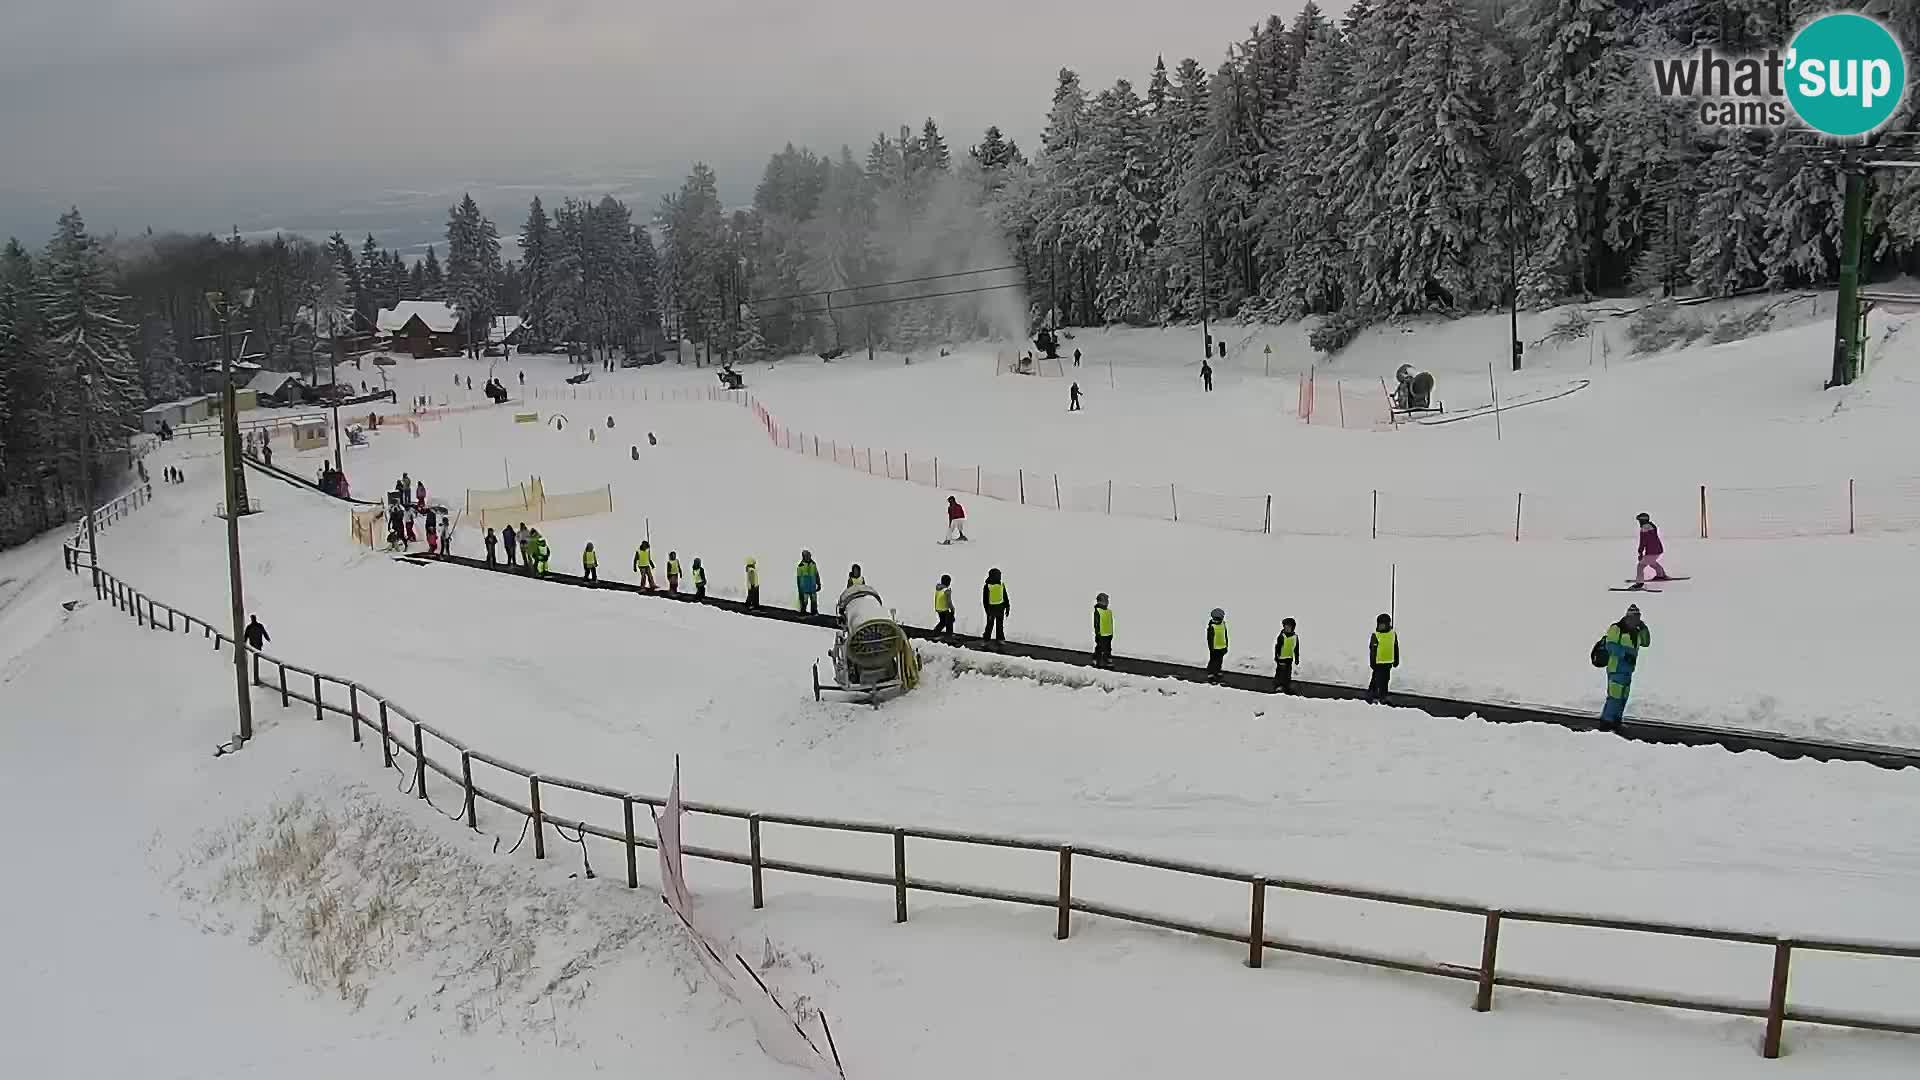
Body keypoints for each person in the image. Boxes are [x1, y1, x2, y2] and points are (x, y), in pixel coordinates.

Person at [1601, 604, 1650, 729]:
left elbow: (1646, 642)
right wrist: (1625, 654)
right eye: (1634, 618)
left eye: (1638, 618)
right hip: (1616, 668)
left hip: (1628, 669)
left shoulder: (1637, 632)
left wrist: (1643, 627)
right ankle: (1607, 723)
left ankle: (1616, 721)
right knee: (1615, 697)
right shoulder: (1617, 628)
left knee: (1623, 696)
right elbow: (1610, 646)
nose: (1636, 620)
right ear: (1628, 617)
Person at [1631, 512, 1671, 588]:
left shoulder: (1644, 528)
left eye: (1639, 520)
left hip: (1652, 551)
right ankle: (1661, 575)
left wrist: (1640, 552)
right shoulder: (1652, 525)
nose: (1639, 522)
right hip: (1658, 549)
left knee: (1640, 566)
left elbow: (1643, 541)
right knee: (1652, 562)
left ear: (1642, 520)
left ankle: (1639, 583)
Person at [1367, 614, 1400, 704]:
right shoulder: (1376, 635)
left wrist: (1396, 660)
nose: (1381, 627)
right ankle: (1372, 695)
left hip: (1388, 662)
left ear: (1388, 624)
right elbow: (1372, 650)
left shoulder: (1392, 634)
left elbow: (1395, 647)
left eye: (1383, 625)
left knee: (1385, 680)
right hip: (1378, 663)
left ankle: (1383, 695)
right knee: (1377, 679)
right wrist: (1372, 662)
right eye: (1379, 625)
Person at [982, 568, 1009, 643]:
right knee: (990, 625)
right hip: (991, 609)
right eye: (998, 575)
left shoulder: (1001, 585)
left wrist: (1007, 607)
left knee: (1000, 625)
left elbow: (1005, 596)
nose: (1000, 577)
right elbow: (985, 600)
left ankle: (1000, 639)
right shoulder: (987, 586)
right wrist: (987, 610)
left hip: (1000, 608)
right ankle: (986, 639)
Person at [1273, 618, 1300, 693]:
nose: (1287, 628)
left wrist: (1297, 658)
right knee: (1280, 672)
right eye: (1285, 627)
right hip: (1281, 658)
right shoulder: (1282, 636)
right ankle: (1278, 686)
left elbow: (1296, 648)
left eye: (1289, 627)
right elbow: (1277, 647)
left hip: (1289, 658)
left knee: (1288, 673)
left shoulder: (1295, 637)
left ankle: (1286, 686)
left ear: (1292, 627)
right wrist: (1276, 656)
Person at [1205, 608, 1230, 682]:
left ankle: (1217, 671)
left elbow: (1225, 635)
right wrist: (1211, 648)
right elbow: (1209, 639)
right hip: (1214, 648)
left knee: (1219, 661)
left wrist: (1226, 645)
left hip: (1222, 646)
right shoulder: (1212, 627)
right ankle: (1211, 673)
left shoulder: (1223, 624)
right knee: (1213, 661)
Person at [1093, 593, 1114, 668]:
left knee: (1108, 648)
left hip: (1108, 634)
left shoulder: (1109, 611)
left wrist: (1111, 633)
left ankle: (1107, 659)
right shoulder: (1098, 611)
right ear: (1100, 601)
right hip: (1101, 634)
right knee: (1100, 648)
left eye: (1107, 600)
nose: (1107, 602)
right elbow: (1096, 623)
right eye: (1106, 600)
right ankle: (1096, 659)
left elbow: (1110, 622)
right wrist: (1097, 633)